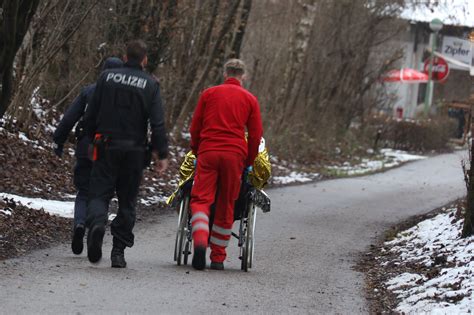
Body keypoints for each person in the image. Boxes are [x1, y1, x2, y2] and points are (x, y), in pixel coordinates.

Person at [83, 40, 169, 268]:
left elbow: (91, 113)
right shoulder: (150, 84)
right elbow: (157, 123)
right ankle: (118, 252)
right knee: (127, 202)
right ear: (145, 60)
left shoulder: (106, 78)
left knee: (99, 194)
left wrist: (90, 137)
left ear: (124, 56)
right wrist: (162, 153)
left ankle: (98, 224)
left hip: (105, 145)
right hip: (134, 150)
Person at [189, 59, 263, 270]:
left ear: (225, 73)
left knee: (201, 199)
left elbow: (196, 126)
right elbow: (256, 136)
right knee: (226, 203)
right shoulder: (250, 99)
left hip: (209, 151)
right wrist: (247, 161)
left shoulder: (209, 94)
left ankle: (201, 240)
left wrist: (196, 150)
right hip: (234, 156)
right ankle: (218, 257)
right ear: (244, 76)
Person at [53, 57, 123, 255]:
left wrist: (58, 140)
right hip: (111, 151)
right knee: (103, 194)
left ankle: (80, 224)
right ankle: (95, 230)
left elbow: (69, 118)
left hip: (87, 147)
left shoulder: (89, 91)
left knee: (84, 192)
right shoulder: (124, 96)